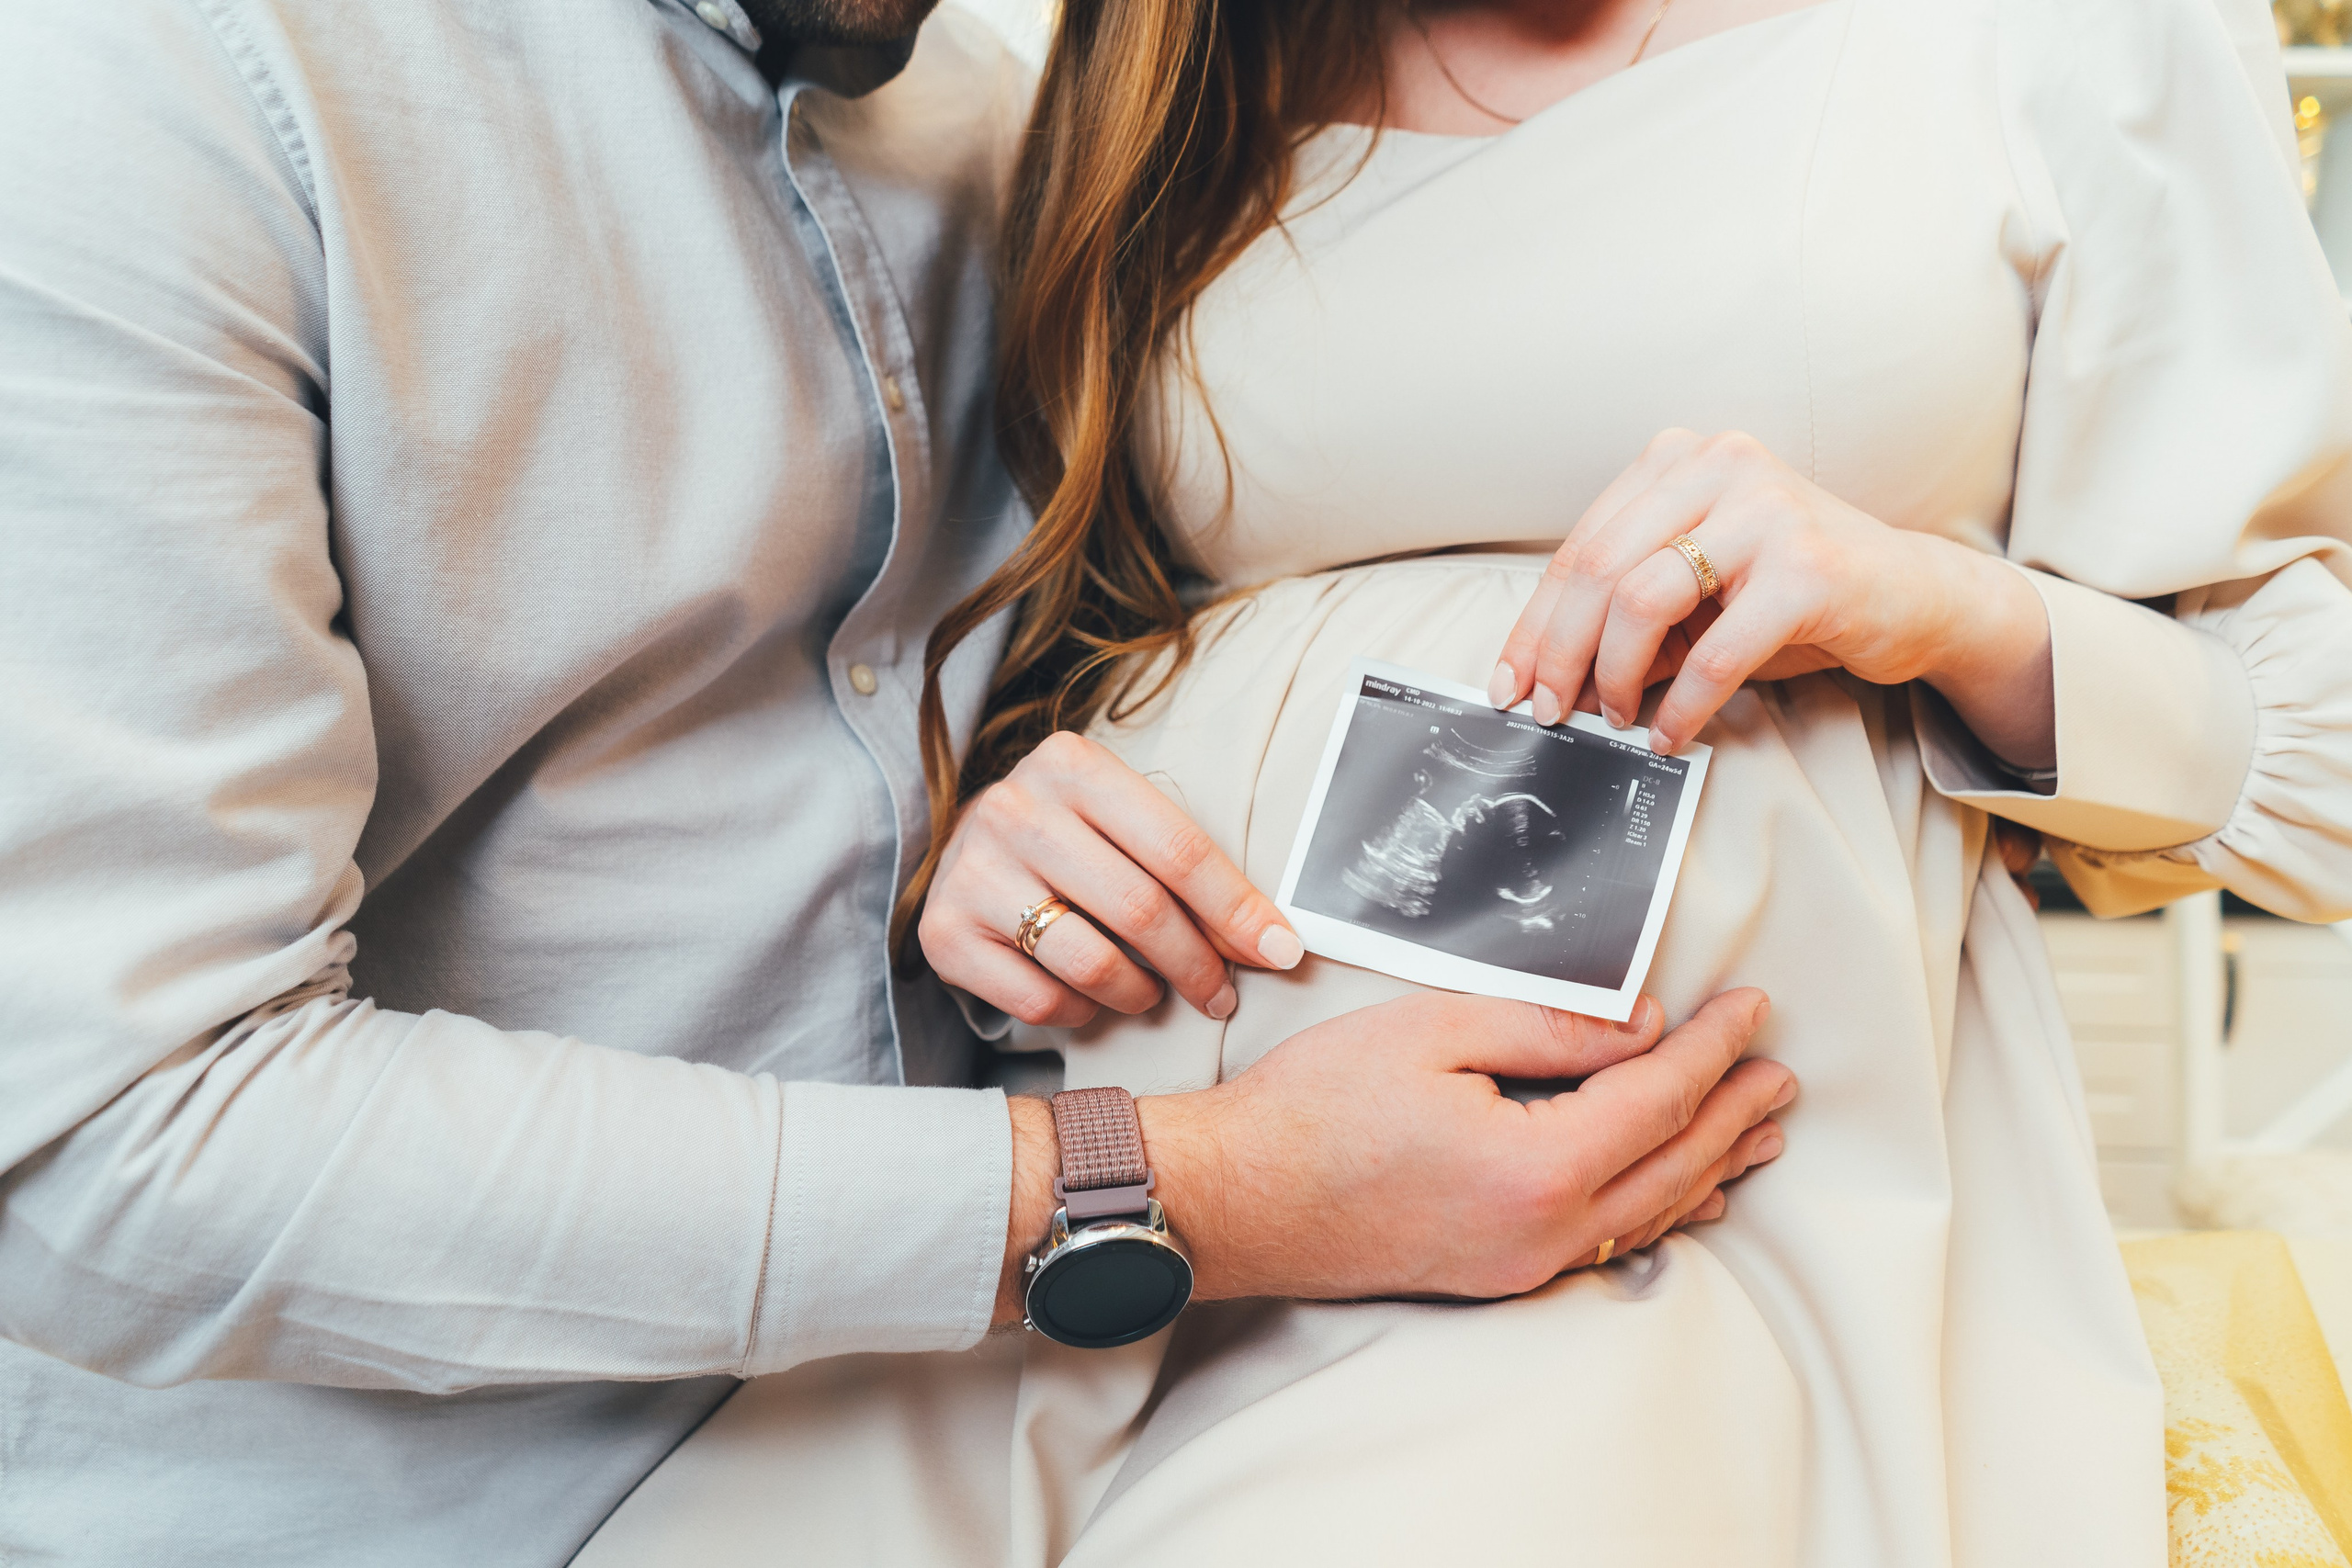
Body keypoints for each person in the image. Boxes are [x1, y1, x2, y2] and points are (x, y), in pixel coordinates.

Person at [0, 0, 1792, 1562]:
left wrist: (993, 798)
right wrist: (1195, 1184)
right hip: (438, 1510)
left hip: (1041, 1399)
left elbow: (1173, 638)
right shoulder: (144, 90)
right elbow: (124, 1145)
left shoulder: (997, 132)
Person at [575, 0, 2352, 1562]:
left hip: (1661, 1210)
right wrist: (998, 814)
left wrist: (1941, 611)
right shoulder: (1131, 73)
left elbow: (2316, 766)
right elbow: (1044, 632)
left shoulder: (2069, 35)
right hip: (1152, 1193)